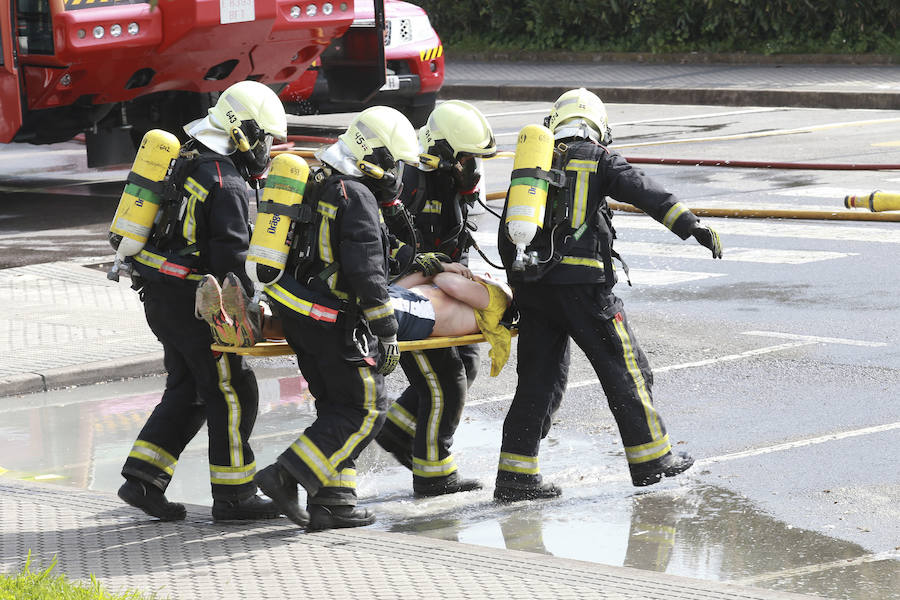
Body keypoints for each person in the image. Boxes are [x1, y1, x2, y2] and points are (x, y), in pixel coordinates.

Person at [494, 88, 724, 502]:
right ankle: (652, 460)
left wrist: (519, 291)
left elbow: (507, 237)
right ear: (598, 127)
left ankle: (515, 475)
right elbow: (643, 190)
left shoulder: (531, 165)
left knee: (537, 383)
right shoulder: (598, 157)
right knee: (627, 370)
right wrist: (692, 226)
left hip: (534, 292)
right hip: (585, 291)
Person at [118, 81, 287, 521]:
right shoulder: (228, 183)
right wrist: (258, 306)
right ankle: (235, 497)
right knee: (233, 391)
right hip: (199, 306)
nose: (266, 148)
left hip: (160, 296)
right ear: (244, 133)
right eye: (265, 138)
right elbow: (232, 263)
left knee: (189, 389)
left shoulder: (187, 159)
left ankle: (143, 477)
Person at [252, 106, 420, 531]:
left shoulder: (318, 181)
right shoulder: (358, 197)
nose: (397, 172)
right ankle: (285, 475)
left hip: (301, 314)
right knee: (366, 410)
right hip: (335, 323)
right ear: (376, 159)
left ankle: (334, 503)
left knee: (335, 409)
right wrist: (387, 332)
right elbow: (367, 274)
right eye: (394, 162)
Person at [377, 100, 499, 497]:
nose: (472, 166)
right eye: (466, 158)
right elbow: (384, 246)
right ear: (445, 151)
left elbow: (457, 235)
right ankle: (434, 472)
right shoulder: (408, 179)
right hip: (408, 292)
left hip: (440, 284)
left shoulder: (454, 180)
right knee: (444, 381)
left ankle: (398, 428)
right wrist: (423, 271)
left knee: (466, 363)